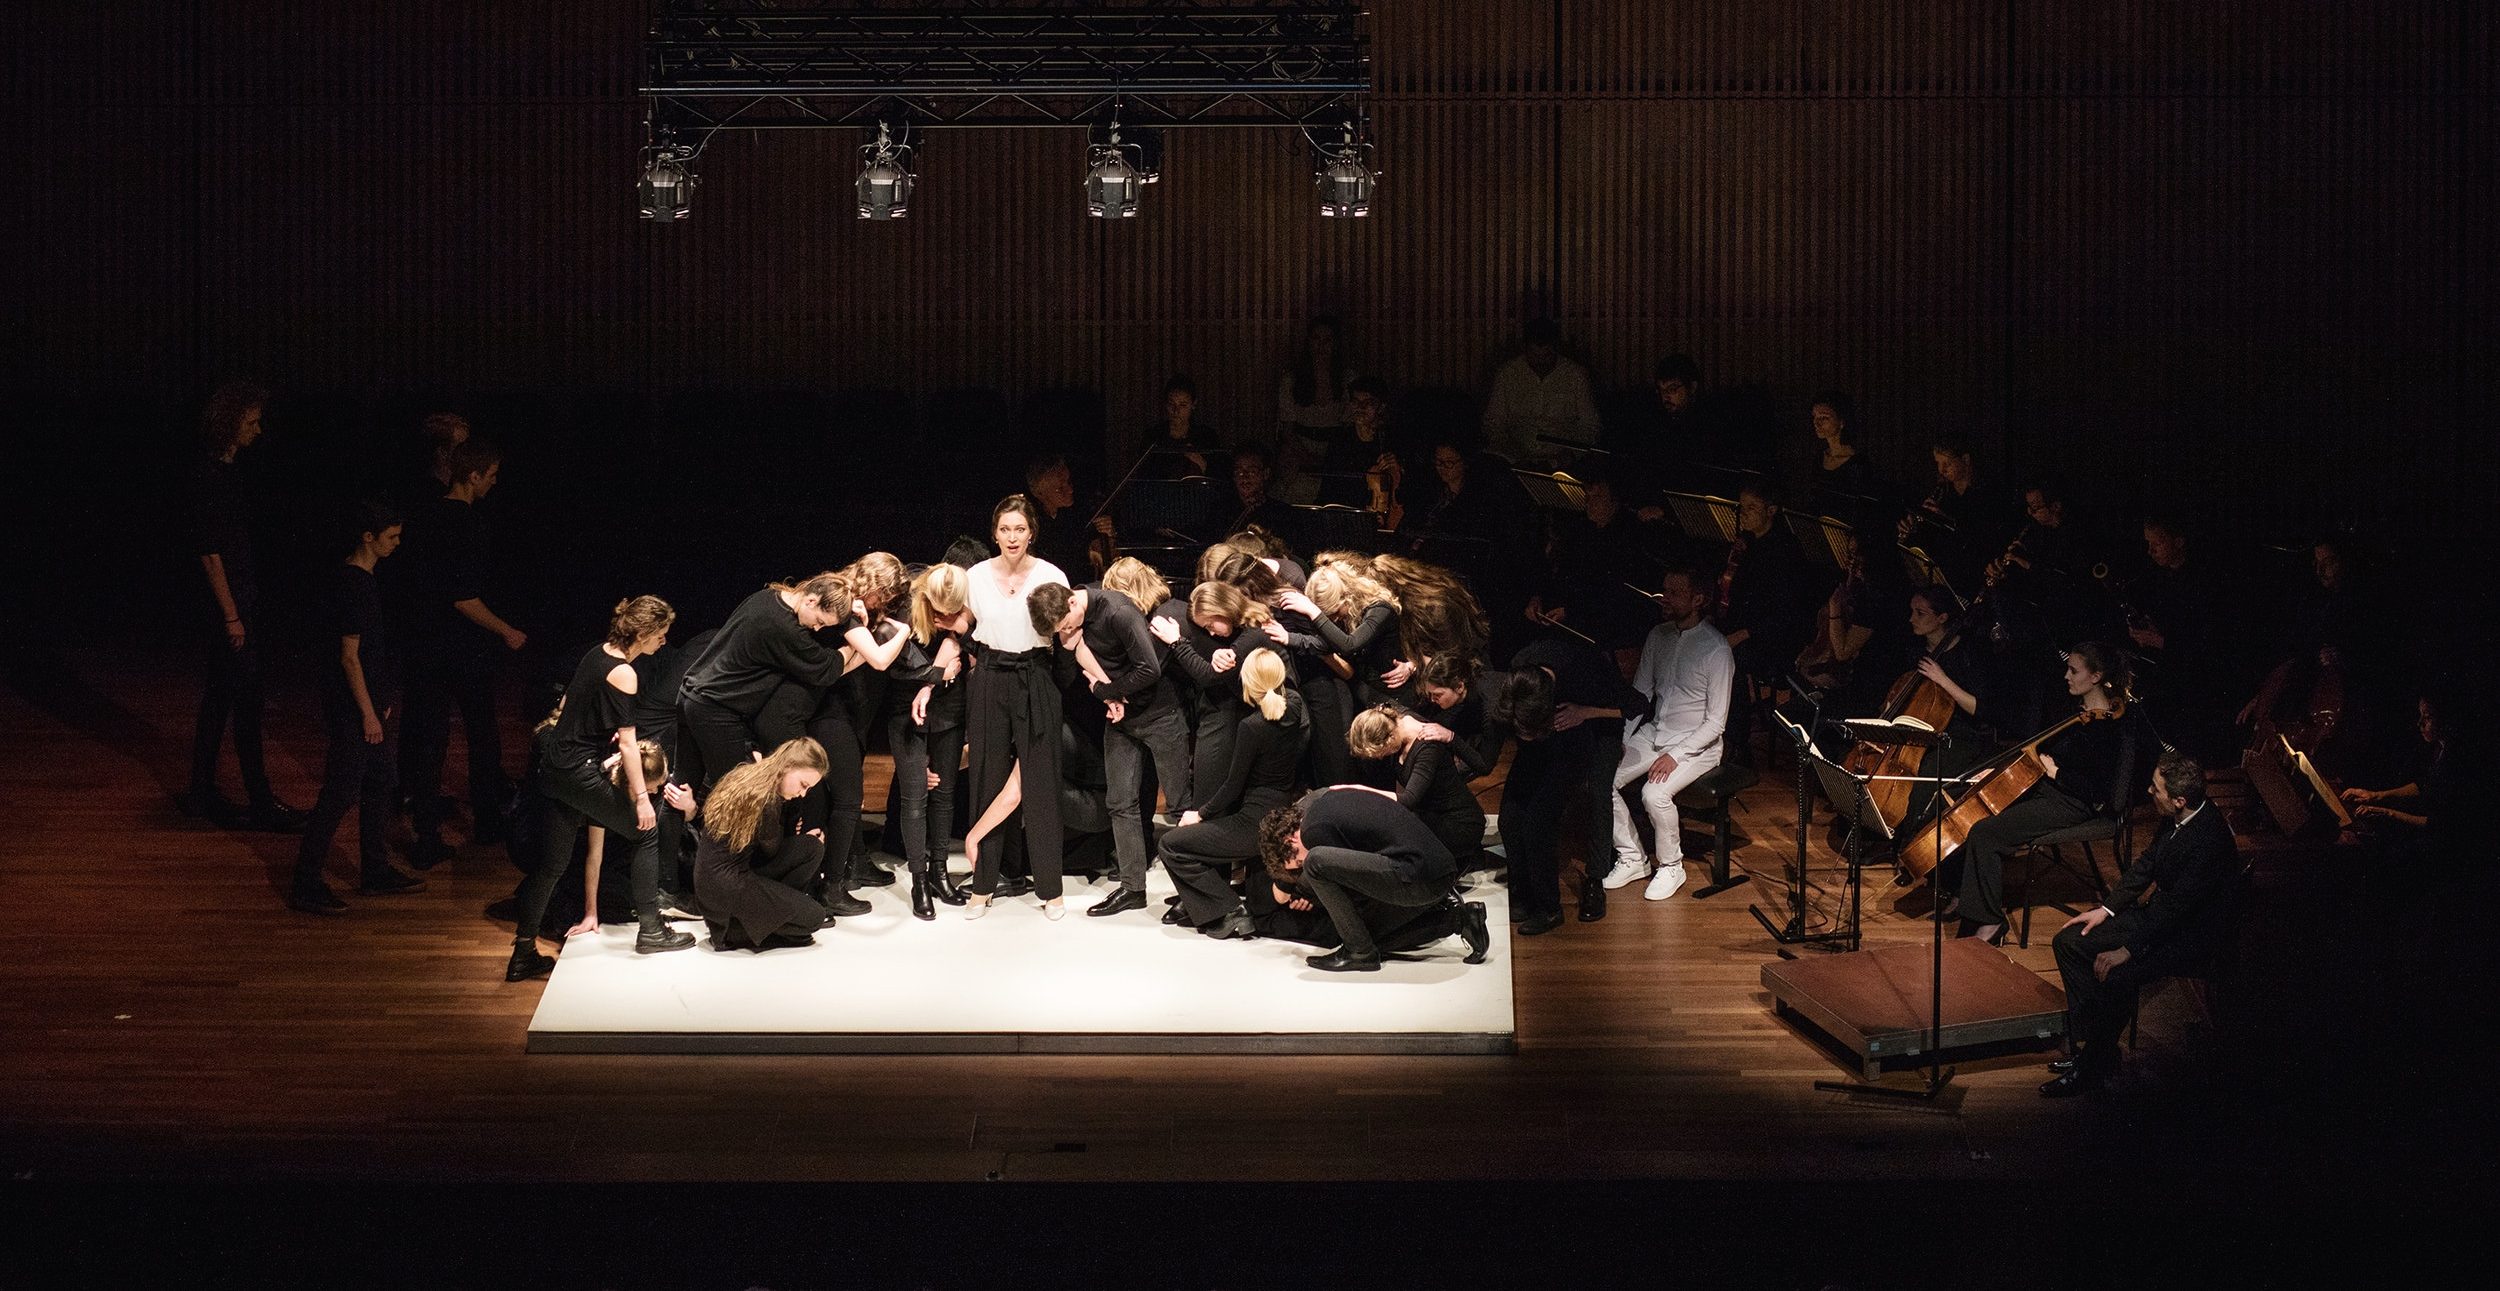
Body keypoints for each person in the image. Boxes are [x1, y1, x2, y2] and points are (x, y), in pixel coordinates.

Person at [507, 596, 697, 980]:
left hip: (555, 769)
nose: (663, 641)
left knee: (552, 866)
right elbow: (629, 741)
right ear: (642, 633)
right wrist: (642, 799)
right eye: (660, 634)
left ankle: (523, 953)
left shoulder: (596, 654)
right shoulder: (624, 672)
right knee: (645, 832)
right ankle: (652, 930)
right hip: (576, 772)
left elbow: (567, 706)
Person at [2044, 750, 2243, 1096]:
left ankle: (2091, 1066)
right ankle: (2097, 1049)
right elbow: (2147, 866)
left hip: (2189, 936)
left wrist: (2127, 950)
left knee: (2117, 973)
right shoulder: (2178, 818)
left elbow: (2178, 910)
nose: (2149, 793)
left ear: (2179, 800)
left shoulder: (2208, 841)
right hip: (2160, 919)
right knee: (2070, 941)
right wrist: (2105, 910)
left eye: (2155, 789)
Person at [1933, 642, 2143, 944]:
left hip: (2073, 803)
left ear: (2096, 677)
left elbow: (2099, 790)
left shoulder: (2108, 727)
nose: (2066, 676)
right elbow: (2037, 753)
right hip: (2045, 789)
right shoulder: (2076, 712)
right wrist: (1992, 776)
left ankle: (1991, 923)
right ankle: (1966, 897)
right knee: (1973, 809)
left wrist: (2057, 772)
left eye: (2074, 670)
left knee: (1986, 833)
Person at [179, 379, 304, 832]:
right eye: (251, 421)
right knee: (245, 702)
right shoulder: (208, 476)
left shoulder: (223, 473)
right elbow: (210, 553)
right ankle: (260, 800)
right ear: (231, 424)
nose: (258, 429)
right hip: (229, 606)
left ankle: (200, 793)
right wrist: (232, 614)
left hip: (235, 601)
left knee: (220, 698)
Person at [395, 437, 524, 868]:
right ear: (472, 477)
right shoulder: (470, 525)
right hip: (462, 649)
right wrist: (507, 631)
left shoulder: (424, 515)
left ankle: (426, 833)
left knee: (430, 741)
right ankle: (487, 820)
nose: (493, 484)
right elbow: (463, 598)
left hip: (424, 645)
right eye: (490, 477)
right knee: (482, 736)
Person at [289, 503, 424, 914]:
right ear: (369, 537)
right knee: (339, 792)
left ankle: (375, 871)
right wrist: (367, 712)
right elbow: (349, 657)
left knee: (381, 781)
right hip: (355, 710)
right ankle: (305, 882)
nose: (398, 544)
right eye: (392, 537)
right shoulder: (353, 585)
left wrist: (379, 703)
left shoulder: (364, 580)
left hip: (371, 704)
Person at [1030, 567, 1186, 919]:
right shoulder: (1071, 617)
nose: (1065, 633)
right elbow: (1090, 659)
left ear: (1072, 601)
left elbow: (1149, 669)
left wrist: (1107, 692)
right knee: (1120, 802)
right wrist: (1109, 698)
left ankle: (1192, 890)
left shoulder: (1118, 611)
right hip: (1121, 721)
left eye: (1065, 626)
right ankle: (1133, 887)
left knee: (1178, 806)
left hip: (1160, 717)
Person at [960, 495, 1074, 920]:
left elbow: (1065, 632)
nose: (1012, 537)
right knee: (987, 774)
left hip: (1035, 674)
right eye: (1005, 529)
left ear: (1031, 533)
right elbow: (963, 626)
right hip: (990, 675)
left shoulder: (1050, 574)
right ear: (995, 533)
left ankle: (1051, 889)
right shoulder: (975, 575)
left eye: (1019, 529)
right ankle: (982, 886)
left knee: (1041, 780)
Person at [1494, 636, 1649, 933]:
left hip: (1595, 724)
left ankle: (1591, 883)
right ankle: (1522, 894)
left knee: (1593, 794)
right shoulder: (1520, 673)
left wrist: (1584, 711)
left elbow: (1637, 705)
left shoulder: (1585, 670)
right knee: (1510, 817)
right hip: (1548, 731)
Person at [1602, 564, 1734, 901]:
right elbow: (1641, 696)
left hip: (1697, 745)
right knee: (1603, 778)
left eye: (1675, 593)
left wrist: (1674, 756)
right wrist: (1623, 740)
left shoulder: (1716, 649)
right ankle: (1632, 857)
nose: (1665, 598)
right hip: (1656, 731)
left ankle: (1672, 865)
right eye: (1665, 590)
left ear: (1698, 599)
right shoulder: (1657, 635)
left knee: (1653, 794)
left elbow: (1716, 722)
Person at [1156, 648, 1310, 937]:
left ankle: (1228, 910)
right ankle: (1208, 906)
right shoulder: (1296, 705)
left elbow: (1232, 786)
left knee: (1171, 845)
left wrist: (1200, 814)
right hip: (1280, 816)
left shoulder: (1251, 727)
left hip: (1254, 825)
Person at [1257, 788, 1490, 972]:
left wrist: (1315, 898)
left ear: (1289, 842)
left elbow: (1353, 891)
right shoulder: (1324, 804)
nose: (1300, 869)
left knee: (1316, 863)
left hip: (1419, 878)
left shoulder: (1313, 833)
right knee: (1365, 933)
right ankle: (1459, 919)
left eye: (1296, 863)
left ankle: (1359, 952)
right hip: (1435, 870)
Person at [675, 573, 856, 793]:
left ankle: (665, 827)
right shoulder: (785, 629)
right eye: (819, 621)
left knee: (681, 787)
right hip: (716, 709)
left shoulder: (766, 597)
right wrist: (852, 646)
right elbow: (828, 668)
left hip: (691, 695)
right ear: (811, 601)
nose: (817, 629)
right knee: (735, 796)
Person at [690, 738, 840, 954]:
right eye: (803, 785)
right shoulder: (766, 800)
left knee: (811, 847)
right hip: (727, 886)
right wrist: (791, 818)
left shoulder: (752, 774)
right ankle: (731, 931)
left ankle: (768, 918)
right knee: (813, 918)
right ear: (787, 767)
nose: (803, 793)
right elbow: (772, 850)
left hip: (715, 882)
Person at [889, 560, 974, 920]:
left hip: (950, 709)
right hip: (905, 709)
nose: (945, 615)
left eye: (953, 609)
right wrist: (937, 673)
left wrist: (962, 635)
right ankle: (919, 879)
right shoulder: (905, 609)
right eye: (940, 609)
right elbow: (893, 667)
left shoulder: (966, 612)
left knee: (946, 794)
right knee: (914, 798)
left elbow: (978, 654)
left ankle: (940, 872)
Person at [1344, 705, 1485, 868]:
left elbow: (1409, 799)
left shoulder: (1427, 746)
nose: (1381, 757)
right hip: (1430, 816)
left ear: (1389, 737)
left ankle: (1462, 858)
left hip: (1459, 824)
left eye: (1381, 752)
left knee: (1396, 849)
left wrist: (1361, 792)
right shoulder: (1391, 723)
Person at [1481, 317, 1599, 464]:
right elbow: (1494, 422)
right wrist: (1508, 451)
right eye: (1535, 355)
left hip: (1563, 460)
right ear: (1525, 349)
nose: (1540, 361)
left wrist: (1573, 453)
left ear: (1556, 349)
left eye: (1547, 355)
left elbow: (1589, 424)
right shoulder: (1508, 374)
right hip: (1516, 460)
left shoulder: (1575, 375)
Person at [1276, 315, 1355, 482]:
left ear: (1335, 344)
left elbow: (1350, 428)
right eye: (1316, 339)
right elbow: (1288, 431)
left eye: (1327, 340)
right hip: (1299, 448)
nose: (1321, 346)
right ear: (1309, 342)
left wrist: (1331, 460)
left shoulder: (1347, 380)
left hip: (1336, 449)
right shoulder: (1292, 380)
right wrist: (1308, 459)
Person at [1140, 375, 1218, 479]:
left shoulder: (1207, 437)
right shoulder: (1153, 436)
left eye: (1183, 405)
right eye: (1171, 404)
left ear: (1193, 404)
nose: (1176, 411)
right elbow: (1142, 476)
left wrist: (1204, 465)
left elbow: (1221, 476)